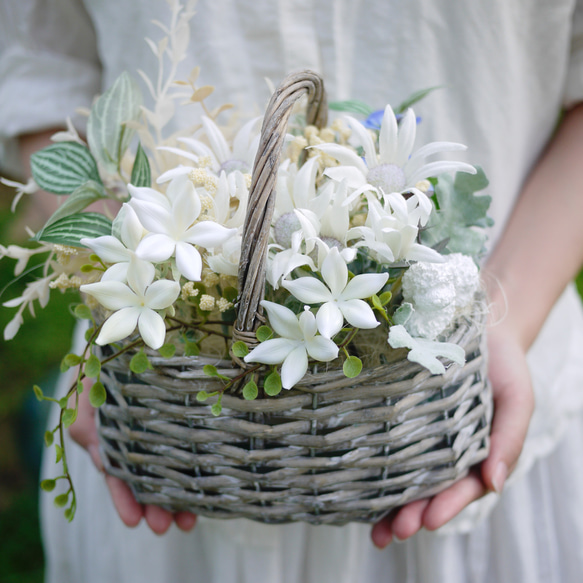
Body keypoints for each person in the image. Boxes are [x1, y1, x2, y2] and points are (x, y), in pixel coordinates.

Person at [2, 0, 583, 581]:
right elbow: (41, 73)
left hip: (452, 401)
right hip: (170, 409)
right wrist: (119, 288)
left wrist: (508, 323)